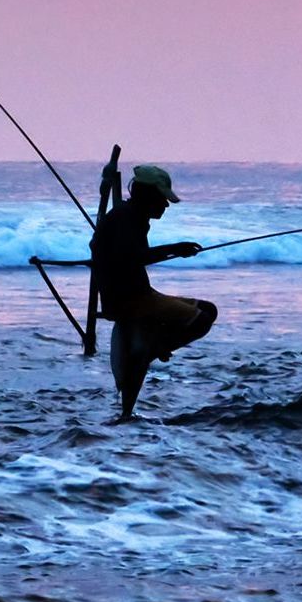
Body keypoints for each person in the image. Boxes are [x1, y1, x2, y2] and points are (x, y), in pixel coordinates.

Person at [92, 164, 213, 417]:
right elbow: (132, 257)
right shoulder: (125, 219)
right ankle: (150, 350)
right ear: (147, 196)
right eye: (162, 200)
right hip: (130, 300)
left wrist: (173, 249)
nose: (165, 206)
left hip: (139, 294)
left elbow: (120, 252)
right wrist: (174, 248)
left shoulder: (130, 217)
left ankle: (151, 347)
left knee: (206, 309)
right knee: (202, 318)